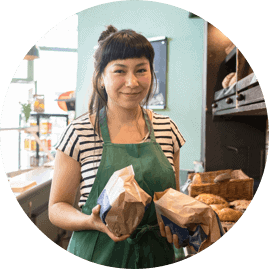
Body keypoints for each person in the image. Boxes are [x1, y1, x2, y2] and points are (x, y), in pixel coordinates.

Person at [49, 25, 186, 268]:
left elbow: (172, 199)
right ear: (101, 77)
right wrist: (90, 222)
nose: (132, 82)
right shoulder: (80, 132)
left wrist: (182, 222)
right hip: (97, 254)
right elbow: (57, 208)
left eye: (141, 70)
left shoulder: (168, 130)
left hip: (158, 256)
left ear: (152, 73)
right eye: (120, 71)